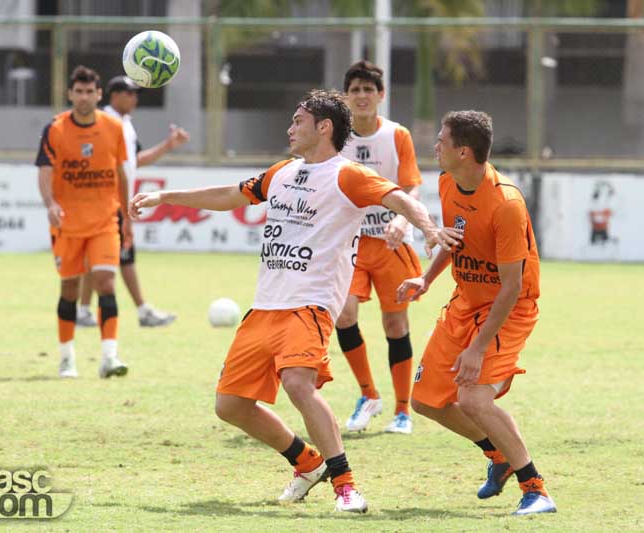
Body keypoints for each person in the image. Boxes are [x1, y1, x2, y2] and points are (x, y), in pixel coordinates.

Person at [129, 90, 446, 513]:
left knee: (298, 383)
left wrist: (425, 227)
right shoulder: (282, 172)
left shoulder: (347, 175)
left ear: (324, 128)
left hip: (311, 304)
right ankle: (306, 462)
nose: (290, 128)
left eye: (298, 121)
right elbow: (229, 196)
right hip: (265, 306)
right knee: (230, 406)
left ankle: (346, 486)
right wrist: (166, 196)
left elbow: (399, 197)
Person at [396, 110, 557, 515]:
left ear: (464, 151)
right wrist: (426, 280)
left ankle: (536, 489)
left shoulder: (505, 203)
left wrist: (478, 349)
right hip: (465, 302)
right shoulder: (448, 181)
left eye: (441, 140)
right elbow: (455, 241)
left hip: (509, 308)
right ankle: (497, 455)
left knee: (473, 399)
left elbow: (512, 286)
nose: (435, 146)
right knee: (426, 402)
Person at [337, 60, 423, 435]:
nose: (361, 96)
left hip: (390, 245)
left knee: (394, 323)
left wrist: (403, 218)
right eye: (354, 90)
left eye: (367, 90)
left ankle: (403, 411)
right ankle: (368, 394)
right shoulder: (336, 136)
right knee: (344, 314)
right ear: (346, 96)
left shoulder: (396, 135)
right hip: (349, 244)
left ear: (380, 96)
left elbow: (412, 185)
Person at [35, 65, 130, 379]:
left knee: (106, 282)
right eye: (79, 91)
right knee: (70, 289)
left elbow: (119, 173)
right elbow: (45, 171)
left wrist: (126, 217)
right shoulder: (55, 129)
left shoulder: (113, 128)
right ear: (70, 94)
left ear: (99, 94)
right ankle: (66, 358)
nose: (85, 97)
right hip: (67, 224)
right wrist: (50, 203)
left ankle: (110, 357)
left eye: (90, 91)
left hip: (105, 220)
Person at [76, 75, 190, 328]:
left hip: (118, 200)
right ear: (113, 95)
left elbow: (134, 160)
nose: (134, 98)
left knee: (106, 256)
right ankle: (141, 311)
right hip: (106, 199)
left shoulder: (125, 124)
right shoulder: (103, 121)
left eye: (136, 93)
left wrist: (168, 145)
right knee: (121, 256)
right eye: (129, 93)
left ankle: (85, 310)